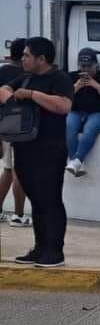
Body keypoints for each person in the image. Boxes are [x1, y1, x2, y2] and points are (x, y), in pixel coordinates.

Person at [0, 37, 74, 267]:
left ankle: (55, 251)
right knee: (36, 200)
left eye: (27, 55)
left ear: (42, 59)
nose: (23, 59)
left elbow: (63, 106)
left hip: (49, 149)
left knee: (50, 199)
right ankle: (40, 247)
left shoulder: (59, 78)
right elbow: (4, 88)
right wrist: (13, 97)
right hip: (25, 147)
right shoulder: (26, 77)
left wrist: (32, 95)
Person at [64, 48, 100, 177]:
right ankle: (74, 161)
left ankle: (77, 159)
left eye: (89, 66)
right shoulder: (71, 77)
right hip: (76, 111)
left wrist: (97, 86)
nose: (86, 69)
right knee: (69, 126)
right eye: (83, 66)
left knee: (90, 128)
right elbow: (64, 99)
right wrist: (76, 87)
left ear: (96, 64)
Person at [0, 38, 29, 228]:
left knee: (8, 170)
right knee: (19, 171)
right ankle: (18, 215)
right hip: (16, 127)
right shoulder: (24, 75)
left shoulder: (1, 71)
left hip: (1, 127)